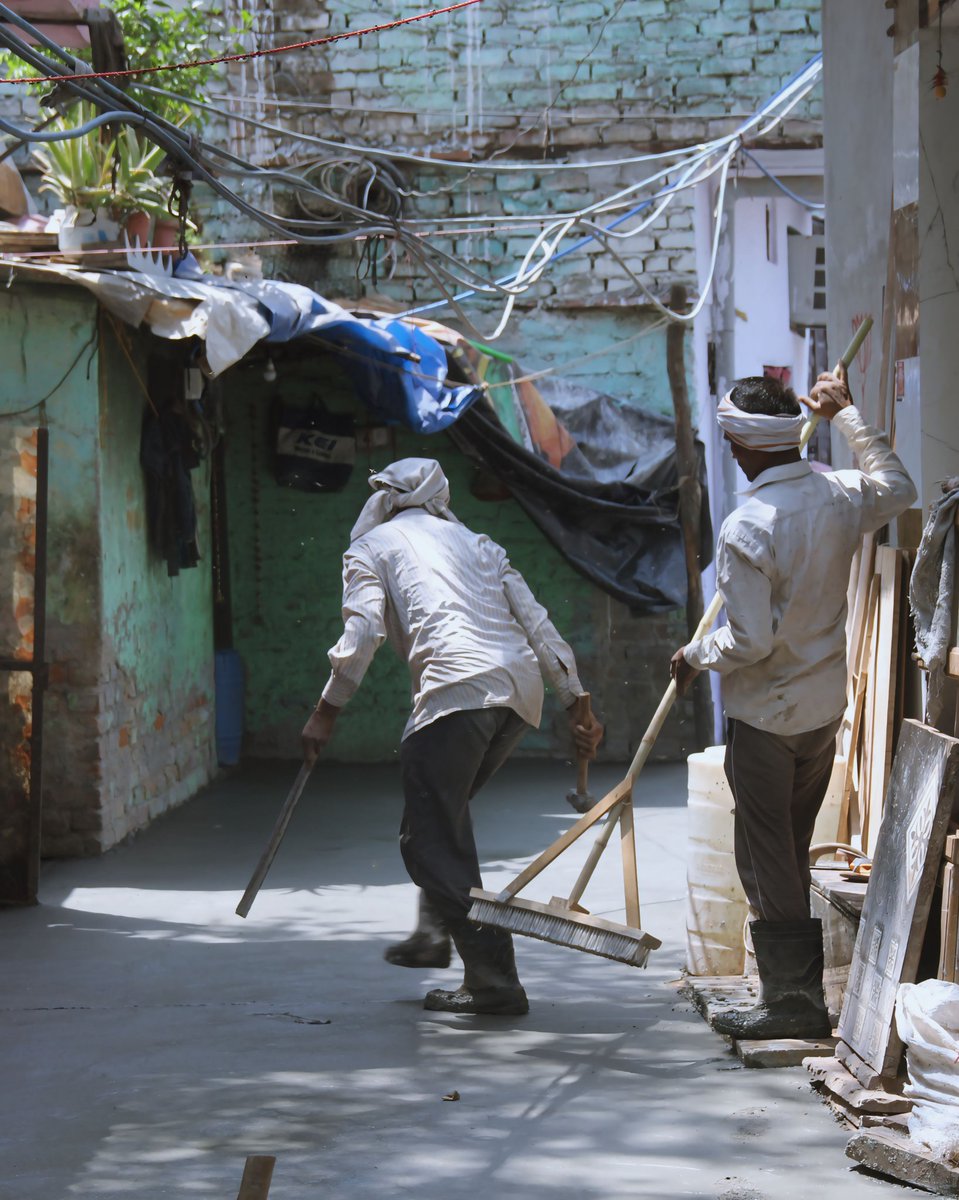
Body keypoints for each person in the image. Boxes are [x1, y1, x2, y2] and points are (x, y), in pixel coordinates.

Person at [302, 458, 603, 1017]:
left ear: (387, 498)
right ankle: (432, 936)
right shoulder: (480, 543)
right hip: (516, 695)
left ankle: (493, 980)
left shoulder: (372, 546)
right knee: (446, 816)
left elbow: (363, 628)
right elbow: (537, 623)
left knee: (428, 840)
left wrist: (326, 710)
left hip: (456, 694)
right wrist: (577, 701)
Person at [670, 368, 916, 1039]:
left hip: (767, 717)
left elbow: (748, 642)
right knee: (783, 848)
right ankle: (787, 991)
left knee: (764, 855)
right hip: (820, 711)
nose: (728, 450)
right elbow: (899, 489)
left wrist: (694, 656)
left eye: (729, 440)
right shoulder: (836, 495)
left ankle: (793, 1004)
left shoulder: (748, 525)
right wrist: (848, 418)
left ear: (745, 446)